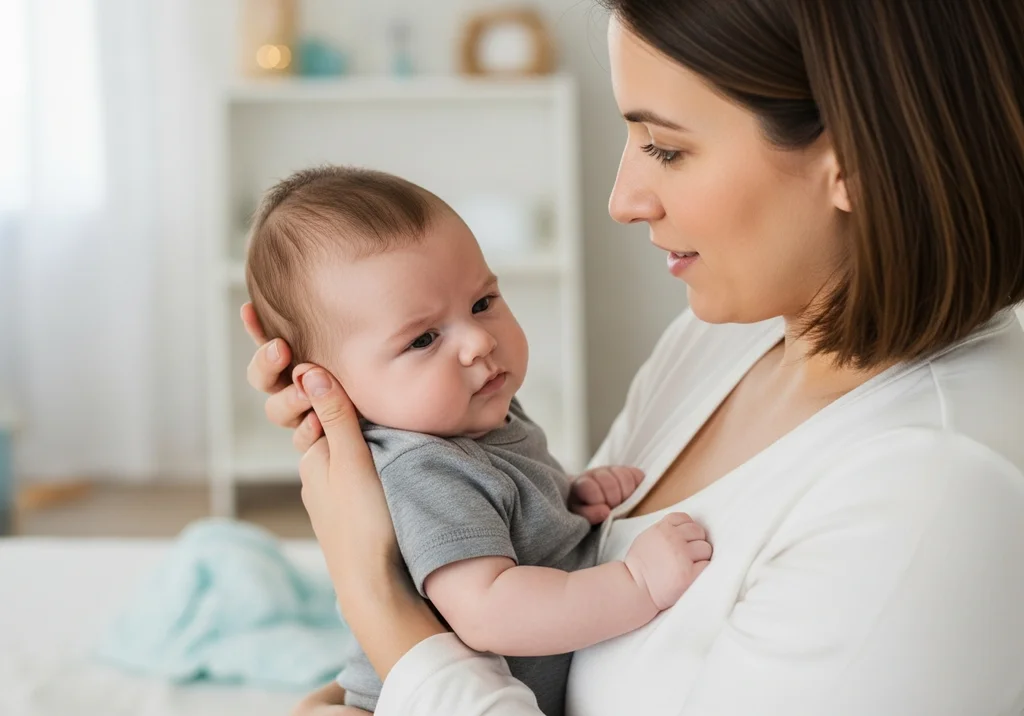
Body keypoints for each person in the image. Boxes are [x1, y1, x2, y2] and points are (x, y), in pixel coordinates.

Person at [242, 0, 1024, 713]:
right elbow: (552, 563)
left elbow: (444, 631)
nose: (623, 198)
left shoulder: (933, 498)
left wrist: (373, 591)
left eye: (665, 147)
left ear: (851, 156)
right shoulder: (727, 338)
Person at [243, 166, 711, 714]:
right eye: (422, 339)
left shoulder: (480, 413)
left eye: (482, 302)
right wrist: (635, 583)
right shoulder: (425, 468)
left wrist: (565, 501)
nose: (477, 342)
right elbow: (490, 610)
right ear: (328, 386)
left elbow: (506, 516)